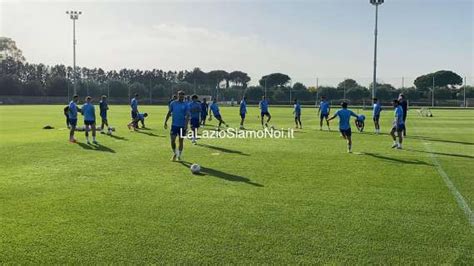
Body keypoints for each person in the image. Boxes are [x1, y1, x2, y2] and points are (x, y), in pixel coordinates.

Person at [164, 91, 190, 161]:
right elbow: (169, 112)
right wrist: (165, 122)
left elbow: (187, 115)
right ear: (178, 95)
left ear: (184, 96)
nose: (181, 97)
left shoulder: (186, 104)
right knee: (172, 140)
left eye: (182, 96)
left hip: (182, 126)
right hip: (174, 125)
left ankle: (178, 155)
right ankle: (175, 153)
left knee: (181, 141)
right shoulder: (173, 103)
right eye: (180, 95)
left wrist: (186, 125)